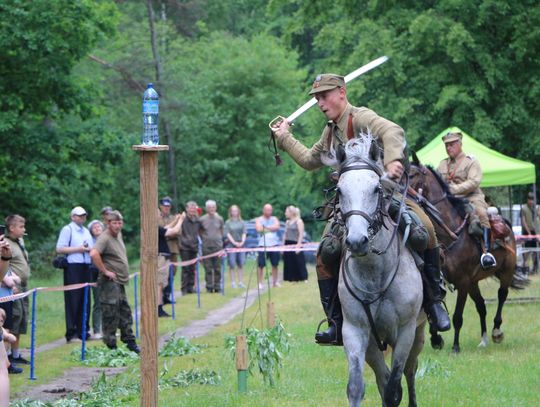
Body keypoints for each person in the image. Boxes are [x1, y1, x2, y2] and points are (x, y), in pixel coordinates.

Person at [272, 73, 450, 345]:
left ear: (342, 92)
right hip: (350, 205)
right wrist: (285, 138)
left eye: (325, 95)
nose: (320, 102)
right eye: (317, 98)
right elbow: (309, 160)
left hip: (384, 194)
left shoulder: (362, 117)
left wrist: (392, 162)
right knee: (326, 252)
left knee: (423, 229)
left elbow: (394, 132)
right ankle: (335, 322)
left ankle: (435, 302)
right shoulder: (330, 131)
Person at [437, 132, 497, 269]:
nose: (448, 148)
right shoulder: (442, 164)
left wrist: (453, 189)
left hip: (472, 197)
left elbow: (474, 182)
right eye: (446, 145)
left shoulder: (471, 161)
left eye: (452, 145)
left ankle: (486, 253)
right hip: (451, 200)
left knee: (481, 214)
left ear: (460, 144)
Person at [89, 210, 139, 353]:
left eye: (119, 223)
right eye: (114, 223)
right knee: (110, 313)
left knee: (125, 311)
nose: (117, 226)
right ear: (108, 223)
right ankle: (111, 346)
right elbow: (93, 253)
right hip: (109, 283)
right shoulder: (104, 238)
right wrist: (105, 271)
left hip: (119, 282)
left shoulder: (118, 234)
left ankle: (129, 342)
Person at [56, 206, 93, 342]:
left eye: (84, 215)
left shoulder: (86, 231)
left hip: (86, 266)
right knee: (73, 300)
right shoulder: (68, 229)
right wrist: (79, 249)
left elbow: (90, 247)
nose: (82, 217)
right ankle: (71, 333)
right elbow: (60, 248)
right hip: (73, 266)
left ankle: (83, 331)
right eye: (79, 215)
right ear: (73, 217)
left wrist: (89, 250)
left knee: (85, 299)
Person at [4, 215, 33, 367]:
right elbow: (5, 265)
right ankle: (7, 357)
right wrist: (11, 283)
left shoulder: (19, 242)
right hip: (12, 288)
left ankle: (15, 354)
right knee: (13, 319)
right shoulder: (6, 243)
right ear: (11, 228)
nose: (24, 229)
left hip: (23, 287)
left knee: (21, 319)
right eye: (21, 227)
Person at [157, 212, 185, 317]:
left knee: (161, 284)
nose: (159, 215)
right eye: (158, 213)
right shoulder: (154, 228)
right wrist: (181, 220)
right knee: (159, 284)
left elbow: (165, 228)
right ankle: (158, 309)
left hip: (163, 257)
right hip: (160, 258)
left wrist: (176, 220)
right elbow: (174, 231)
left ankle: (159, 307)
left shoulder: (156, 228)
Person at [199, 200, 224, 293]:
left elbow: (221, 230)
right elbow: (200, 232)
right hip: (206, 246)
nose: (211, 209)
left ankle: (217, 286)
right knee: (208, 268)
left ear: (215, 208)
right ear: (206, 209)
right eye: (209, 207)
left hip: (218, 246)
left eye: (213, 207)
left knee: (217, 268)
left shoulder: (220, 219)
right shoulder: (202, 219)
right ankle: (209, 287)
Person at [159, 197, 180, 304]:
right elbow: (160, 231)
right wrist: (168, 233)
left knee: (172, 273)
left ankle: (167, 294)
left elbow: (178, 231)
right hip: (161, 250)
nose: (166, 208)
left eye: (168, 206)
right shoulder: (158, 218)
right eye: (164, 206)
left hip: (173, 249)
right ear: (160, 206)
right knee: (162, 273)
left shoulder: (173, 217)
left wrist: (168, 233)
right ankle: (161, 295)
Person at [255, 204, 281, 289]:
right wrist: (271, 228)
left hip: (274, 244)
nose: (269, 212)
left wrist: (265, 227)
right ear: (263, 210)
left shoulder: (274, 219)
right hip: (262, 245)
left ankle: (275, 282)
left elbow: (277, 227)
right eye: (267, 210)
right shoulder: (259, 219)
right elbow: (259, 229)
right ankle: (260, 283)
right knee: (261, 265)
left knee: (275, 264)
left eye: (270, 210)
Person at [179, 201, 201, 295]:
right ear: (187, 209)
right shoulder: (182, 219)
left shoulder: (197, 220)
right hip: (184, 247)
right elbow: (178, 231)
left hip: (194, 246)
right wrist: (183, 241)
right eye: (190, 208)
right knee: (185, 269)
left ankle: (191, 287)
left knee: (192, 268)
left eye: (194, 208)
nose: (192, 210)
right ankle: (184, 289)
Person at [87, 220, 104, 339]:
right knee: (98, 301)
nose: (97, 228)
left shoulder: (107, 240)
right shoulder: (89, 242)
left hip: (107, 272)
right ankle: (97, 330)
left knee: (109, 301)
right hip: (94, 272)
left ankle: (107, 328)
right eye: (94, 227)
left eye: (99, 226)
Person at [283, 206, 308, 282]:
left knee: (299, 261)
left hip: (296, 242)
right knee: (289, 261)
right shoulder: (287, 222)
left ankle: (303, 277)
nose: (285, 213)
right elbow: (285, 234)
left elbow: (301, 234)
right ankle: (290, 278)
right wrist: (283, 245)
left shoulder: (299, 221)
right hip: (288, 243)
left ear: (291, 213)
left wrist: (298, 244)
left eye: (286, 212)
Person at [224, 205, 247, 289]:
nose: (234, 212)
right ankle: (233, 282)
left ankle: (240, 282)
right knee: (232, 264)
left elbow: (244, 233)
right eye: (233, 211)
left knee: (241, 263)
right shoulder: (228, 222)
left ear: (238, 212)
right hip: (231, 245)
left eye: (236, 211)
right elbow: (227, 233)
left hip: (241, 245)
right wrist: (233, 242)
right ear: (230, 212)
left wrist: (242, 242)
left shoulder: (242, 222)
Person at [520, 192, 539, 274]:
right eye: (530, 200)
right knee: (526, 251)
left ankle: (535, 267)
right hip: (526, 232)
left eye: (532, 200)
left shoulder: (534, 208)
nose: (531, 202)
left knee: (535, 250)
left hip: (534, 231)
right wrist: (529, 233)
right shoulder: (523, 208)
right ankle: (525, 267)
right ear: (527, 200)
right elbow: (523, 222)